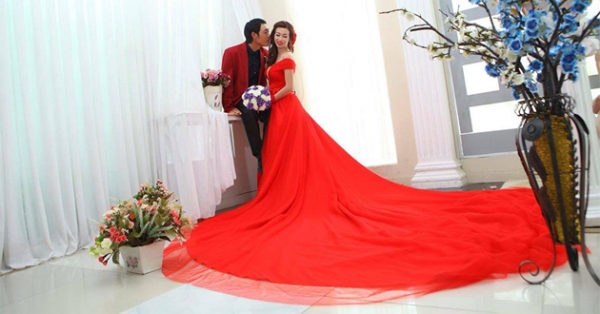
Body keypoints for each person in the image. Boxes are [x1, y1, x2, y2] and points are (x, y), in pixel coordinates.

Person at [164, 21, 566, 299]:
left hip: (287, 110)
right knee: (280, 157)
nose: (280, 37)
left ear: (291, 39)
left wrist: (267, 97)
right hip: (277, 114)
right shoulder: (268, 59)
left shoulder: (286, 60)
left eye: (284, 34)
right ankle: (282, 193)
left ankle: (298, 197)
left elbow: (288, 89)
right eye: (277, 33)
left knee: (299, 157)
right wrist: (259, 97)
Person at [221, 18, 271, 173]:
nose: (268, 35)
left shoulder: (266, 54)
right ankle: (261, 155)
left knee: (273, 111)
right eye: (265, 32)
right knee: (249, 113)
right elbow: (227, 81)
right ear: (254, 35)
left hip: (259, 97)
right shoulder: (232, 52)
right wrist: (229, 107)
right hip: (240, 98)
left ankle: (270, 149)